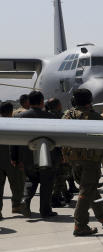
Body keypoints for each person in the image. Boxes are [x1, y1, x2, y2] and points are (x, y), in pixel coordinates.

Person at [62, 88, 103, 236]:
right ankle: (80, 225)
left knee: (89, 189)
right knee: (86, 190)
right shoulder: (95, 117)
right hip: (90, 160)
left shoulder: (67, 116)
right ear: (90, 101)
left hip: (73, 159)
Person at [17, 90, 59, 218]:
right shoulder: (51, 117)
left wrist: (15, 157)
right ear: (42, 102)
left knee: (30, 180)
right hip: (47, 156)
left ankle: (25, 201)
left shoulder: (20, 117)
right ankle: (45, 211)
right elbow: (57, 139)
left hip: (28, 156)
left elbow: (14, 140)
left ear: (29, 102)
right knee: (46, 183)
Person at [0, 101, 24, 218]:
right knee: (17, 184)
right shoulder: (15, 123)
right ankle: (16, 205)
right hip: (12, 159)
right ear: (11, 111)